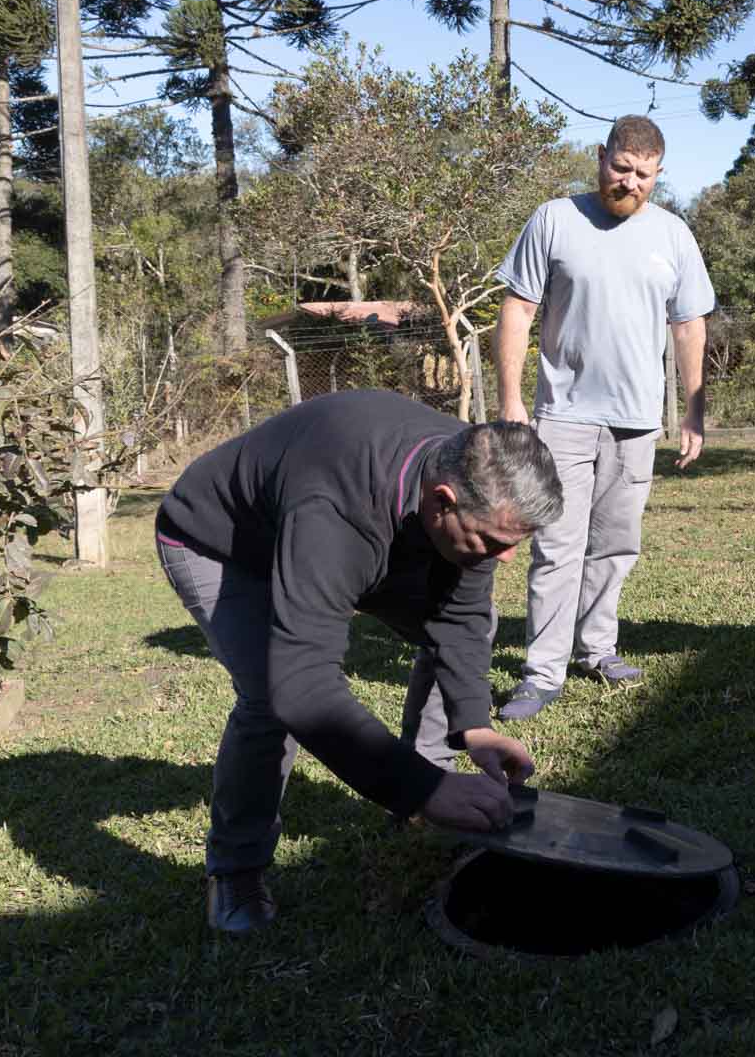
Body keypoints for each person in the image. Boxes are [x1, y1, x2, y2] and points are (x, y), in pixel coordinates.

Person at [155, 390, 564, 933]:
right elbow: (303, 687)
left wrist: (475, 726)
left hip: (354, 529)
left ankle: (426, 782)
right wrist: (420, 789)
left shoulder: (476, 475)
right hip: (223, 544)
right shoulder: (337, 508)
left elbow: (460, 619)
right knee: (268, 696)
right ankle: (236, 870)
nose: (506, 557)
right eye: (492, 541)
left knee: (475, 623)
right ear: (442, 501)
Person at [491, 114, 714, 720]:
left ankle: (596, 650)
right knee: (557, 546)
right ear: (601, 156)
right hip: (562, 416)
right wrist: (511, 399)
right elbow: (517, 310)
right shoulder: (554, 219)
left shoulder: (673, 235)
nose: (630, 183)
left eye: (645, 175)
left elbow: (689, 325)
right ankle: (542, 673)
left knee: (615, 544)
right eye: (621, 168)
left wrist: (693, 410)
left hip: (636, 420)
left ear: (659, 174)